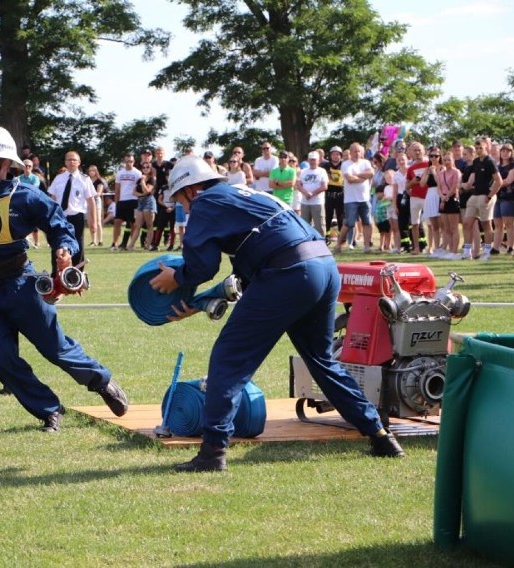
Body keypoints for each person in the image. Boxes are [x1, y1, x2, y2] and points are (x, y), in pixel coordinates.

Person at [148, 155, 404, 472]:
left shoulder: (205, 202)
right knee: (322, 360)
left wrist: (178, 278)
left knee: (230, 357)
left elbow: (202, 266)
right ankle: (380, 434)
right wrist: (199, 301)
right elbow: (242, 274)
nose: (183, 208)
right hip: (322, 266)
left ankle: (212, 452)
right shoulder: (244, 194)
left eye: (180, 199)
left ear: (193, 189)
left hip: (288, 273)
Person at [0, 126, 128, 432]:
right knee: (0, 360)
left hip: (22, 285)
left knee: (55, 348)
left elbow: (61, 228)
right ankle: (48, 410)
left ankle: (102, 381)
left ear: (7, 165)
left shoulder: (27, 196)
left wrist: (64, 250)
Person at [47, 151, 96, 267]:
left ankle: (77, 274)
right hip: (60, 217)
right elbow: (52, 199)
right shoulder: (59, 178)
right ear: (65, 162)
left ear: (79, 163)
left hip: (76, 216)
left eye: (74, 160)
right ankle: (57, 274)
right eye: (69, 159)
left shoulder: (85, 179)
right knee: (57, 244)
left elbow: (91, 201)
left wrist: (93, 222)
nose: (71, 162)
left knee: (77, 244)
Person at [334, 143, 374, 253]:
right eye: (354, 151)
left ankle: (366, 246)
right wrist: (363, 177)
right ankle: (338, 245)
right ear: (350, 152)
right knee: (349, 223)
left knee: (367, 222)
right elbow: (350, 179)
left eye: (359, 151)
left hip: (365, 198)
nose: (357, 153)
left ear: (362, 153)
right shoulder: (345, 164)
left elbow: (371, 173)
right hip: (350, 200)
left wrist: (358, 175)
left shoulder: (366, 162)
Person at [127, 161, 157, 251]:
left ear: (150, 169)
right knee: (137, 225)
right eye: (143, 167)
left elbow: (147, 190)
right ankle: (131, 245)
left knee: (149, 225)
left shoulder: (152, 179)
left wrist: (143, 182)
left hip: (149, 202)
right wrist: (141, 194)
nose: (145, 169)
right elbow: (134, 192)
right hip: (140, 202)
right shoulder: (139, 179)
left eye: (147, 167)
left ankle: (147, 245)